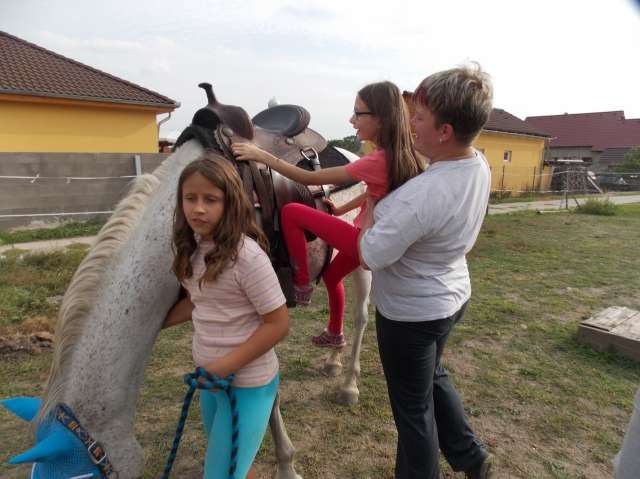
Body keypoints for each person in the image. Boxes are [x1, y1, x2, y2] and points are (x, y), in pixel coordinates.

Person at [358, 64, 495, 479]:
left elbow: (369, 255)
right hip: (451, 297)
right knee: (433, 376)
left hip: (411, 316)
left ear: (445, 131)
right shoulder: (478, 164)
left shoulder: (421, 194)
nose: (411, 124)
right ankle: (470, 456)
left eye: (419, 117)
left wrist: (368, 212)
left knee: (413, 411)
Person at [231, 81, 423, 349]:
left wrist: (260, 155)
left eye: (358, 113)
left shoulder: (376, 161)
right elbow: (373, 192)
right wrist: (341, 210)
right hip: (375, 238)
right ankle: (335, 333)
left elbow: (308, 178)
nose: (351, 120)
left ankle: (301, 283)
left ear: (380, 118)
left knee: (292, 212)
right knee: (332, 277)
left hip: (364, 240)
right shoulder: (402, 157)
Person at [162, 155, 289, 479]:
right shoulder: (194, 249)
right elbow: (199, 301)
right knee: (234, 466)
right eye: (190, 198)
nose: (198, 208)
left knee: (220, 473)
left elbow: (278, 324)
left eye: (210, 200)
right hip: (213, 382)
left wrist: (225, 366)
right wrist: (153, 326)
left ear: (230, 203)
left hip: (246, 385)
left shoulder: (247, 257)